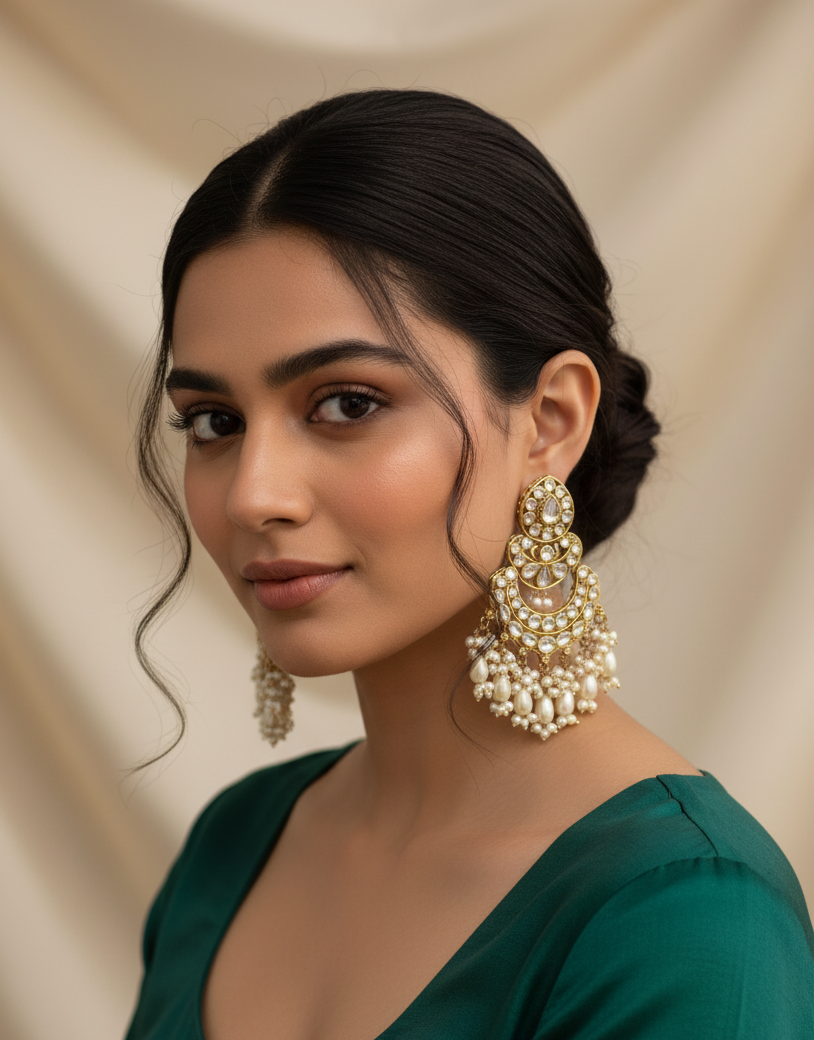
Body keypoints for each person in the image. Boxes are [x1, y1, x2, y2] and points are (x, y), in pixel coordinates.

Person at [124, 89, 814, 1040]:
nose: (252, 494)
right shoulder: (235, 845)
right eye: (214, 421)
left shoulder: (681, 918)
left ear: (551, 422)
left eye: (348, 403)